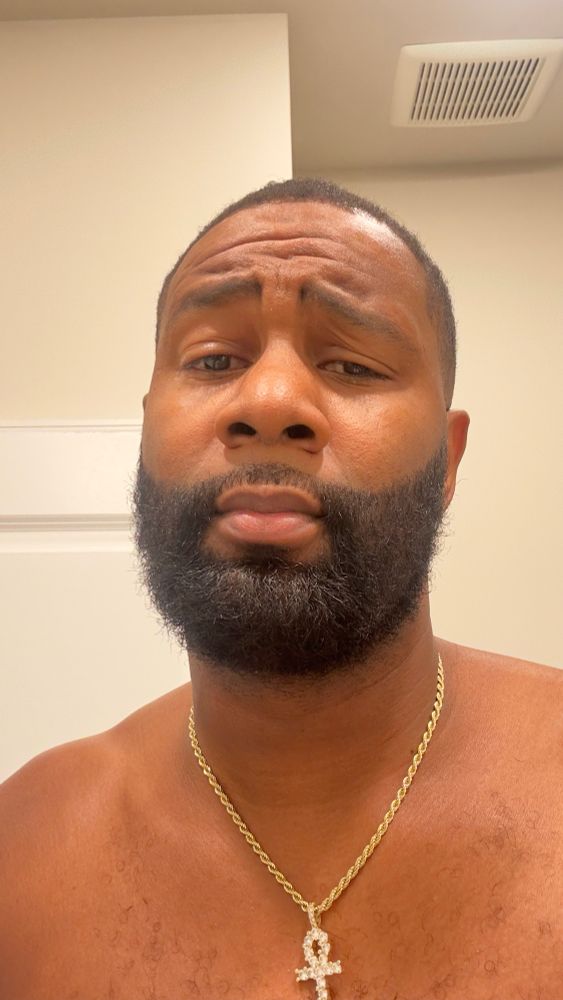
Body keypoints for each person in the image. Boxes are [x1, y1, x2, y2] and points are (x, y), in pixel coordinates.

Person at [1, 178, 561, 1000]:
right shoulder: (25, 850)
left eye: (352, 364)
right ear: (147, 429)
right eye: (213, 361)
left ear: (446, 460)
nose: (267, 402)